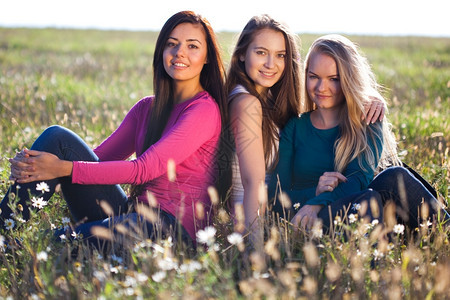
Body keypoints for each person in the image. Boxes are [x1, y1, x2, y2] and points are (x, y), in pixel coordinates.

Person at [0, 10, 227, 249]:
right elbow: (96, 159)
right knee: (58, 140)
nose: (179, 52)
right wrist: (39, 168)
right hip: (130, 213)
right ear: (161, 51)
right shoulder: (146, 108)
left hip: (170, 230)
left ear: (207, 57)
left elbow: (143, 170)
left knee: (54, 242)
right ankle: (4, 228)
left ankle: (14, 245)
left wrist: (61, 168)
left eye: (192, 46)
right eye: (172, 44)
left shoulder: (203, 110)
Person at [225, 16, 384, 243]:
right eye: (261, 52)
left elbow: (358, 179)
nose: (271, 64)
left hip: (317, 210)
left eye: (280, 55)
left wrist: (371, 97)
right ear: (241, 53)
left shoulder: (271, 101)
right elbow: (259, 186)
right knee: (371, 198)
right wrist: (253, 248)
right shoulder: (252, 105)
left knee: (392, 179)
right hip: (267, 220)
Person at [269, 34, 448, 231]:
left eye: (334, 79)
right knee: (367, 199)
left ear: (348, 79)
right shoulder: (295, 128)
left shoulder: (367, 120)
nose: (322, 87)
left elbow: (358, 180)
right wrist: (315, 194)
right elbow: (276, 196)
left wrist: (318, 201)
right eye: (314, 77)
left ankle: (443, 234)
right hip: (318, 219)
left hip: (365, 212)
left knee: (393, 177)